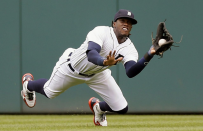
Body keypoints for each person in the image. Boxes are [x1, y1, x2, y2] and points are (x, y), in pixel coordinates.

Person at [21, 9, 156, 126]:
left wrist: (149, 55)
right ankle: (28, 85)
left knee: (122, 108)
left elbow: (131, 72)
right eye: (122, 20)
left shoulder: (130, 48)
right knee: (49, 92)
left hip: (97, 74)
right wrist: (104, 62)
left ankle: (98, 108)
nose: (126, 23)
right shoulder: (101, 31)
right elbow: (91, 54)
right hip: (71, 68)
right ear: (114, 23)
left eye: (130, 22)